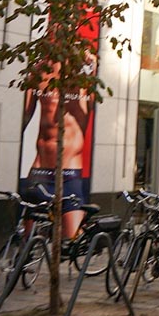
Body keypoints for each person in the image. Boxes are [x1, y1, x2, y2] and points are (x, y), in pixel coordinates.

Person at [21, 59, 93, 235]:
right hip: (40, 170)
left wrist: (94, 69)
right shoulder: (39, 75)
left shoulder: (85, 80)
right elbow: (22, 117)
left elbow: (95, 109)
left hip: (69, 172)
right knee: (27, 241)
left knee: (72, 238)